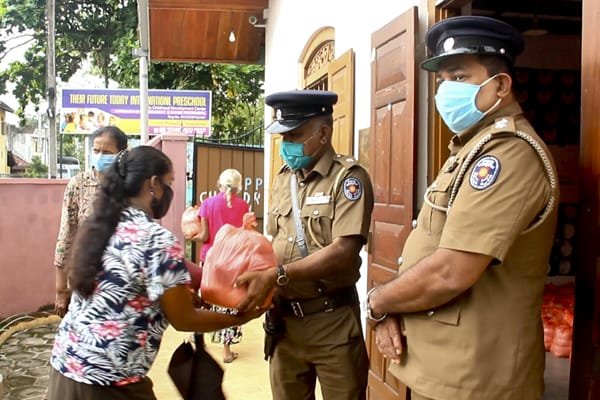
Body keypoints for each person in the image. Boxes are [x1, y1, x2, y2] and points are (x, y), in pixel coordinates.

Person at [365, 16, 559, 400]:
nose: (443, 92)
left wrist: (378, 302)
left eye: (458, 77)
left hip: (476, 381)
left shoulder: (509, 155)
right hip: (444, 368)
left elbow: (452, 271)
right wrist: (391, 307)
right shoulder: (471, 149)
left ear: (500, 85)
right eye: (441, 82)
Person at [48, 146, 263, 399]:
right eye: (169, 183)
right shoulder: (155, 238)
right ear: (153, 184)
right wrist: (239, 318)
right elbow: (185, 319)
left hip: (64, 368)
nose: (170, 192)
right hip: (109, 383)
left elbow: (179, 269)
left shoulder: (101, 226)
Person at [235, 90, 374, 400]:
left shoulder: (348, 179)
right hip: (284, 324)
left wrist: (277, 275)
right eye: (283, 138)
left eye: (294, 135)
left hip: (332, 323)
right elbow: (276, 241)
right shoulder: (284, 179)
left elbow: (343, 251)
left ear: (323, 133)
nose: (286, 146)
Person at [53, 126, 128, 317]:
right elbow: (66, 234)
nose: (100, 156)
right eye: (96, 150)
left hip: (121, 281)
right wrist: (61, 288)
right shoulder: (78, 185)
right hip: (85, 278)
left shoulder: (129, 187)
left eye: (107, 152)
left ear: (121, 154)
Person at [192, 168, 250, 363]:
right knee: (228, 304)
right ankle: (226, 351)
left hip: (209, 259)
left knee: (205, 300)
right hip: (233, 262)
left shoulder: (207, 204)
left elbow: (205, 236)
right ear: (239, 187)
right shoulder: (244, 206)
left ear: (219, 184)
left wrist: (190, 236)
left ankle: (198, 340)